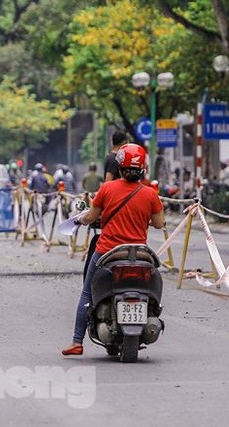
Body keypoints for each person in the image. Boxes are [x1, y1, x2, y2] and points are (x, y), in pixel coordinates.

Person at [61, 143, 165, 356]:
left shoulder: (106, 189)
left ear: (118, 167)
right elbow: (159, 223)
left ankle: (77, 342)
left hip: (107, 252)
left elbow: (91, 216)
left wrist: (80, 219)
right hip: (139, 254)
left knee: (87, 291)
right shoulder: (150, 194)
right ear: (143, 169)